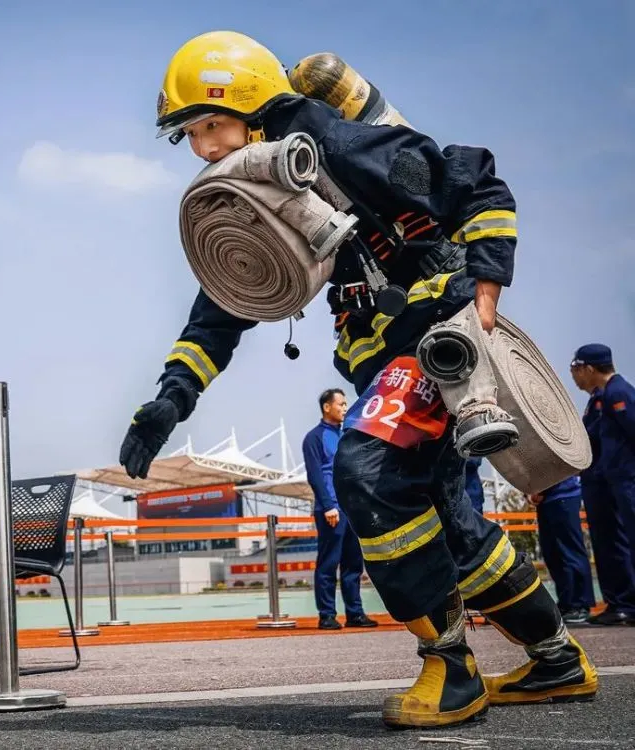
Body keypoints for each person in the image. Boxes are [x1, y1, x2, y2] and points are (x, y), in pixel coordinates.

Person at [119, 31, 597, 728]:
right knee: (452, 526)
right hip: (382, 357)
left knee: (367, 468)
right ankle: (558, 660)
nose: (202, 148)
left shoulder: (339, 149)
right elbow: (224, 307)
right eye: (189, 134)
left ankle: (453, 670)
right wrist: (170, 398)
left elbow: (476, 177)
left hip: (435, 341)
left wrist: (487, 284)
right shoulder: (262, 187)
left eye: (211, 124)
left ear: (256, 112)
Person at [570, 344, 635, 626]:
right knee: (612, 542)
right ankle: (620, 603)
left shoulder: (619, 393)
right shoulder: (600, 397)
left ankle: (627, 604)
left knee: (625, 541)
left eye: (575, 369)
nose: (574, 376)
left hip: (627, 480)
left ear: (589, 368)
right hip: (610, 482)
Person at [302, 388, 378, 629]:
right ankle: (327, 615)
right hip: (331, 510)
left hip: (352, 509)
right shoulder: (314, 437)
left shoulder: (348, 435)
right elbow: (315, 475)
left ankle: (355, 614)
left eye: (346, 405)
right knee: (328, 563)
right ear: (327, 407)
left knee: (353, 563)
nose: (345, 408)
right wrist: (328, 506)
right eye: (341, 404)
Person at [528, 476, 595, 624]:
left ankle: (580, 604)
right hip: (546, 499)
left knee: (570, 551)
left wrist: (540, 490)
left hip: (564, 493)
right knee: (553, 553)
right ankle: (567, 603)